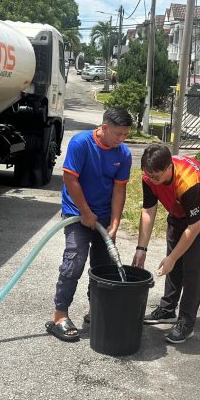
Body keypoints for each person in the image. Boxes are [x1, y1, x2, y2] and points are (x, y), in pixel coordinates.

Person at [46, 107, 133, 342]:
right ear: (104, 128)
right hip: (77, 212)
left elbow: (119, 189)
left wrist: (114, 223)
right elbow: (70, 179)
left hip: (104, 217)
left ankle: (95, 312)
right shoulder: (81, 143)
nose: (121, 140)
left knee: (103, 268)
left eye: (125, 135)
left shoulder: (123, 154)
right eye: (117, 134)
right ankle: (59, 315)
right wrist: (85, 212)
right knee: (74, 261)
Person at [132, 143, 200, 344]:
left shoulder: (188, 181)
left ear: (169, 168)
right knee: (173, 261)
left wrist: (173, 258)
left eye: (156, 176)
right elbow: (148, 210)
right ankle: (167, 310)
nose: (152, 180)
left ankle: (186, 322)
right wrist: (142, 249)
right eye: (149, 175)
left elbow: (195, 225)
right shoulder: (149, 175)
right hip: (178, 208)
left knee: (193, 267)